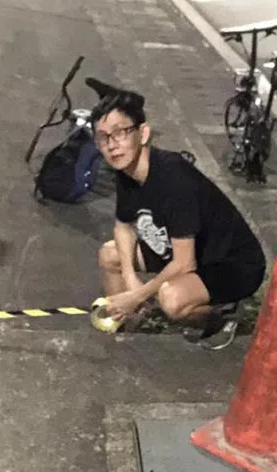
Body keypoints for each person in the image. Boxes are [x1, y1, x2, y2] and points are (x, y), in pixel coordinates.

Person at [95, 87, 266, 350]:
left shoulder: (174, 178)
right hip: (179, 249)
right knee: (110, 255)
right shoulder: (126, 170)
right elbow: (123, 227)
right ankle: (127, 327)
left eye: (120, 132)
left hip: (230, 263)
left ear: (143, 134)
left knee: (171, 299)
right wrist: (130, 280)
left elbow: (185, 263)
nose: (112, 144)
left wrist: (140, 294)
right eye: (103, 137)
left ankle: (222, 317)